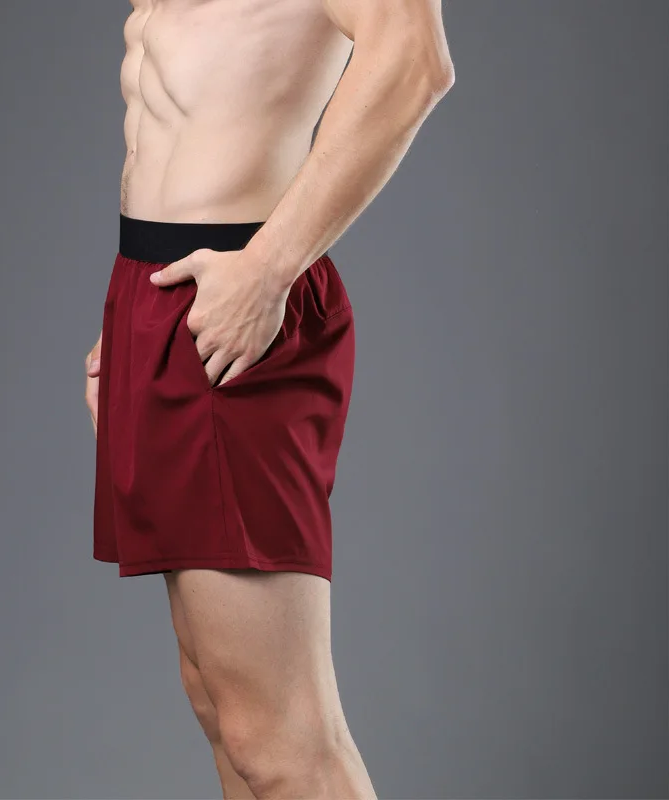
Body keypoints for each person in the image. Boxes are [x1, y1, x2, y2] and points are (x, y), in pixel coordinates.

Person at [84, 1, 454, 797]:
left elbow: (414, 59)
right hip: (157, 295)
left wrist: (268, 268)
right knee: (220, 706)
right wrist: (128, 328)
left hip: (235, 302)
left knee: (281, 740)